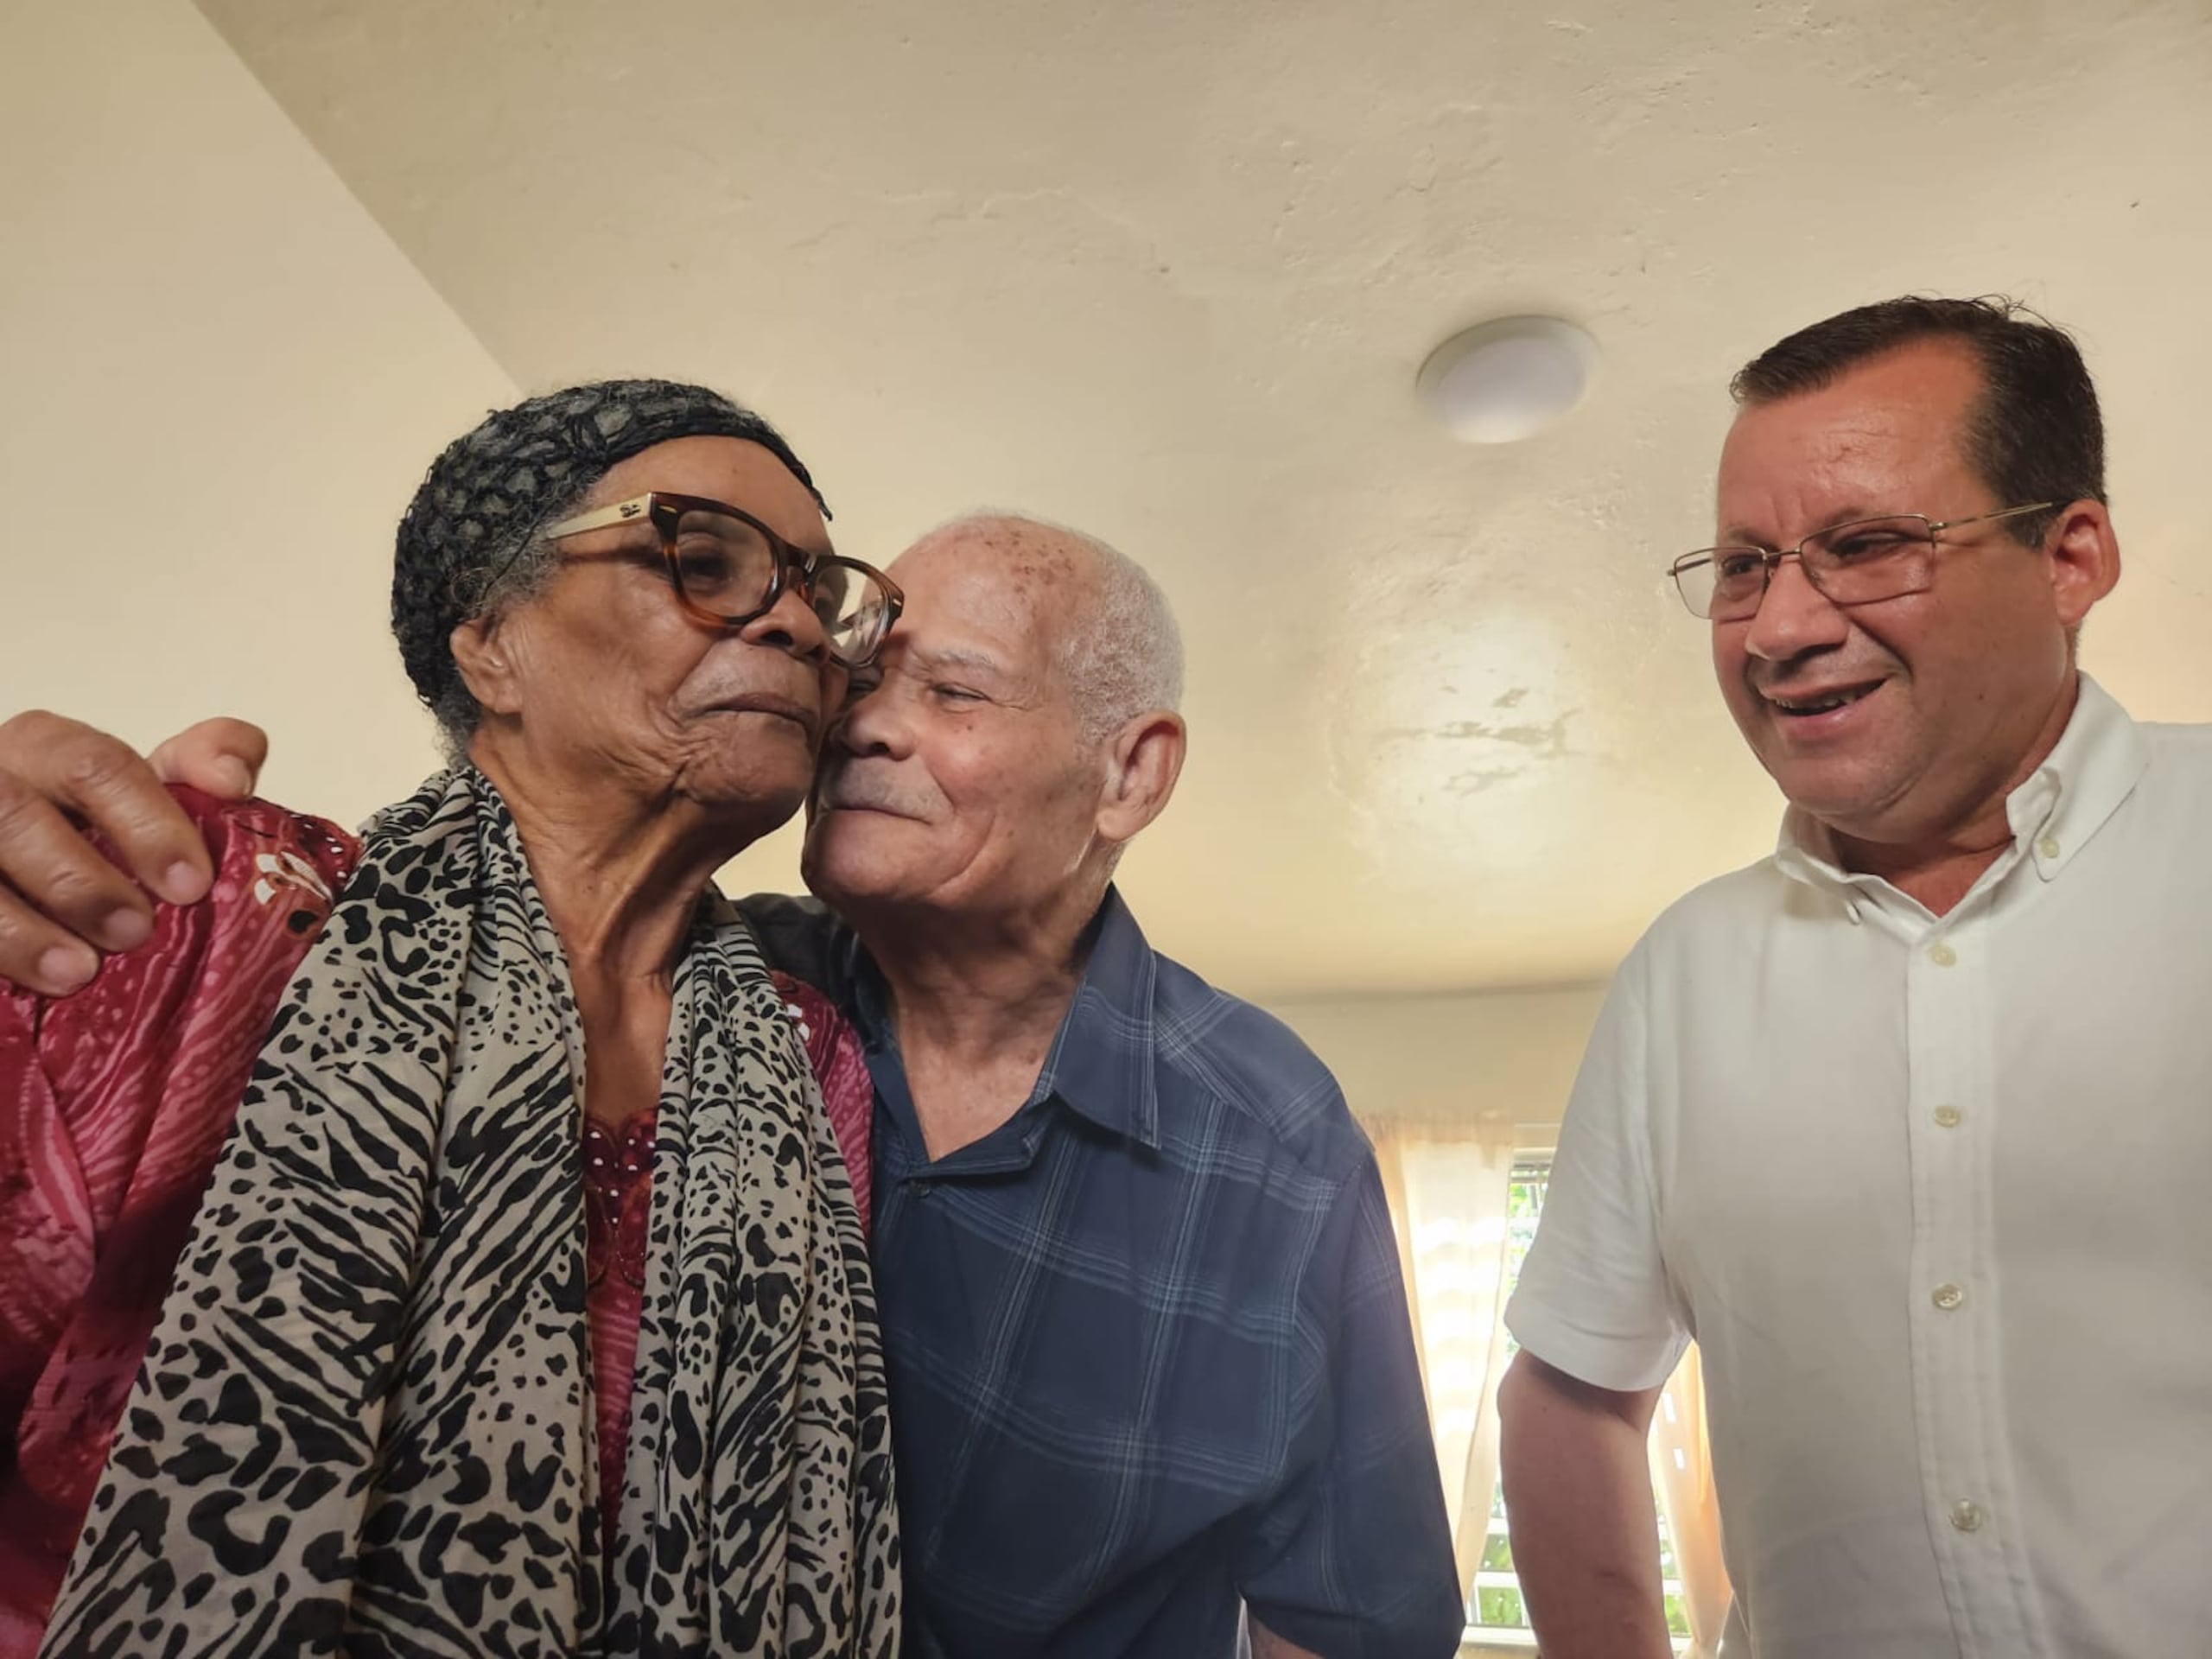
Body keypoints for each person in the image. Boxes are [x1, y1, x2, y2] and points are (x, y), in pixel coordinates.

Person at [0, 515, 1465, 1657]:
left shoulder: (1271, 1135)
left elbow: (1348, 1615)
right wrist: (106, 840)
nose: (863, 727)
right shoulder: (703, 995)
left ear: (1130, 778)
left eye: (952, 689)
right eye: (864, 679)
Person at [0, 380, 903, 1657]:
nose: (803, 627)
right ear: (490, 646)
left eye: (823, 592)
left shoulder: (813, 1058)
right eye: (705, 558)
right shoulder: (214, 910)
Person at [1496, 296, 2210, 1658]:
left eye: (1867, 547)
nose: (1777, 629)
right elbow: (1571, 1396)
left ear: (2071, 555)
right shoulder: (1683, 979)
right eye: (1745, 567)